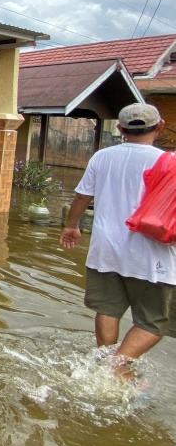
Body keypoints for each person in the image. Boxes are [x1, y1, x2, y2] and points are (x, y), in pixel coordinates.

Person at [60, 103, 173, 381]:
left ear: (120, 129)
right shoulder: (168, 161)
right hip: (152, 254)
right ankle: (118, 365)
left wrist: (72, 226)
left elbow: (82, 197)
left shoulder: (102, 157)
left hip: (106, 250)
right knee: (154, 321)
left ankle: (105, 362)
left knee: (107, 309)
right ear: (159, 126)